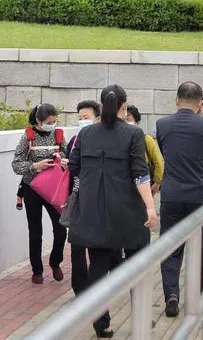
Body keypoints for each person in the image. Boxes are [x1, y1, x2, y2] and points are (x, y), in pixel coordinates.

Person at [67, 85, 158, 339]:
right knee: (137, 266)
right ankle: (140, 318)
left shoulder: (86, 135)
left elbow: (73, 166)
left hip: (93, 211)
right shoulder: (133, 134)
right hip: (128, 213)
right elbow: (140, 173)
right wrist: (151, 208)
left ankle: (101, 323)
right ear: (124, 107)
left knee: (98, 266)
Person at [156, 81, 203, 319]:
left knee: (171, 247)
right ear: (200, 102)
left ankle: (171, 295)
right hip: (200, 195)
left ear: (177, 100)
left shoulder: (162, 125)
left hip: (172, 194)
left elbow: (165, 153)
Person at [11, 103, 68, 285]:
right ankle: (37, 270)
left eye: (54, 121)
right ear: (39, 121)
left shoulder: (58, 135)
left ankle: (55, 262)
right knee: (35, 232)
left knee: (60, 230)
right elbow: (16, 164)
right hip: (32, 188)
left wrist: (63, 160)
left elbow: (67, 154)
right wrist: (35, 166)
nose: (53, 124)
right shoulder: (28, 136)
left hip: (53, 188)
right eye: (49, 122)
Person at [68, 100, 100, 298]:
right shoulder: (74, 141)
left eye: (86, 118)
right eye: (79, 118)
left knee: (97, 248)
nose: (82, 122)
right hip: (78, 199)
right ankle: (80, 289)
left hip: (98, 200)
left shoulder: (104, 141)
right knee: (77, 246)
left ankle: (95, 287)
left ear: (97, 119)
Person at [125, 104, 165, 195]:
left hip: (144, 187)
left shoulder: (146, 139)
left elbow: (159, 162)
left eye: (128, 119)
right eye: (123, 120)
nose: (125, 123)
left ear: (137, 121)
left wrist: (157, 183)